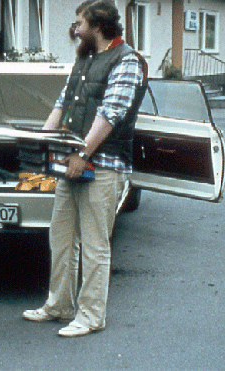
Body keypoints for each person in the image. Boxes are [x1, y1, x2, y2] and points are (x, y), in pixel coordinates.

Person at [22, 0, 148, 337]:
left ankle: (92, 316)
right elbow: (63, 103)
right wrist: (44, 141)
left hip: (103, 166)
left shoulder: (127, 61)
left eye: (80, 22)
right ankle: (59, 305)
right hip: (72, 162)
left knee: (95, 245)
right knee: (60, 237)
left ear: (98, 23)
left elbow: (110, 114)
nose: (75, 28)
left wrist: (82, 155)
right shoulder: (85, 58)